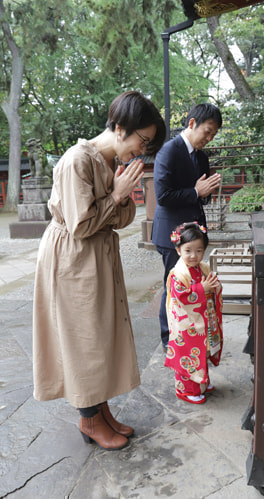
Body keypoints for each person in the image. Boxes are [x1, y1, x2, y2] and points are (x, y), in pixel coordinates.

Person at [33, 91, 166, 450]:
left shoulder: (110, 162)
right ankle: (89, 419)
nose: (143, 150)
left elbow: (120, 218)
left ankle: (102, 411)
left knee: (101, 332)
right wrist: (117, 194)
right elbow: (81, 225)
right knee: (84, 338)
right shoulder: (78, 159)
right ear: (121, 128)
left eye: (148, 144)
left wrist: (122, 194)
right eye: (144, 140)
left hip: (95, 253)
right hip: (72, 259)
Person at [151, 103, 222, 351]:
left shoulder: (201, 156)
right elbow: (163, 196)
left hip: (195, 233)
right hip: (173, 234)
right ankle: (169, 339)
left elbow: (201, 196)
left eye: (214, 134)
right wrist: (195, 191)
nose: (210, 138)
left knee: (193, 282)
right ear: (192, 123)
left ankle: (190, 332)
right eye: (208, 131)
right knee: (175, 284)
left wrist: (205, 193)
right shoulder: (169, 151)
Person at [164, 222, 223, 404]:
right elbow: (181, 296)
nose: (194, 255)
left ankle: (202, 383)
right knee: (188, 356)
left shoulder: (202, 268)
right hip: (186, 324)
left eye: (199, 250)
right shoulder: (178, 274)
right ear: (178, 250)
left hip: (201, 321)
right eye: (188, 250)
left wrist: (212, 287)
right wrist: (201, 288)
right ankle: (186, 390)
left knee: (201, 351)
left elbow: (212, 287)